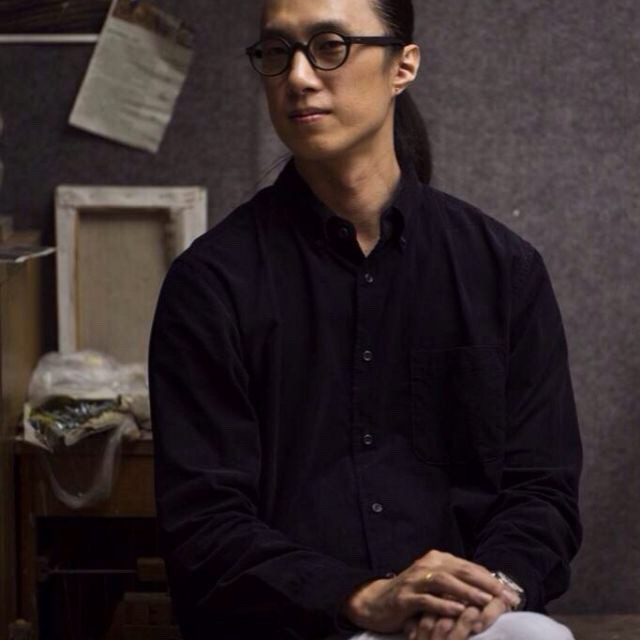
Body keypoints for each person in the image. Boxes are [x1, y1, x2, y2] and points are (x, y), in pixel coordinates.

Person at [148, 0, 582, 638]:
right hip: (294, 626)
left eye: (330, 46)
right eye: (277, 51)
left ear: (403, 65)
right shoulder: (210, 285)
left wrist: (487, 591)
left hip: (467, 625)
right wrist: (362, 596)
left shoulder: (503, 270)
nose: (297, 77)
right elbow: (204, 526)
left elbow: (541, 491)